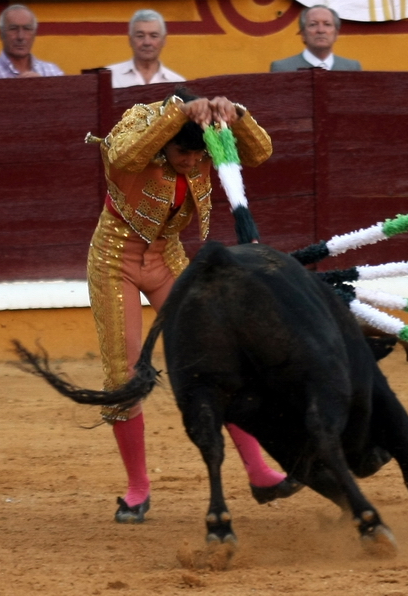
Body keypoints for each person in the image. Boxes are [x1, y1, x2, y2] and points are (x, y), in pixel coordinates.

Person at [87, 88, 300, 523]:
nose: (191, 162)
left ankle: (258, 471)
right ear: (166, 138)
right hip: (115, 260)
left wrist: (236, 114)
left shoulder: (206, 138)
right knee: (124, 375)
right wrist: (174, 117)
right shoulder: (140, 124)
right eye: (182, 154)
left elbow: (259, 154)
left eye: (197, 155)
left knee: (220, 359)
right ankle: (137, 488)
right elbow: (124, 159)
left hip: (167, 258)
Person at [270, 5, 362, 72]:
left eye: (327, 24)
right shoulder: (282, 68)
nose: (321, 30)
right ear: (303, 34)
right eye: (313, 24)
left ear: (336, 34)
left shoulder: (351, 68)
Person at [106, 10, 185, 88]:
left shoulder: (176, 83)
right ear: (130, 40)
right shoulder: (110, 77)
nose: (147, 42)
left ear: (164, 40)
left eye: (154, 36)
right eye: (140, 36)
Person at [0, 5, 64, 79]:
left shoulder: (52, 71)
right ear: (1, 33)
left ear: (34, 34)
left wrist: (43, 86)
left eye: (27, 29)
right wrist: (20, 89)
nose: (21, 37)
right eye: (13, 29)